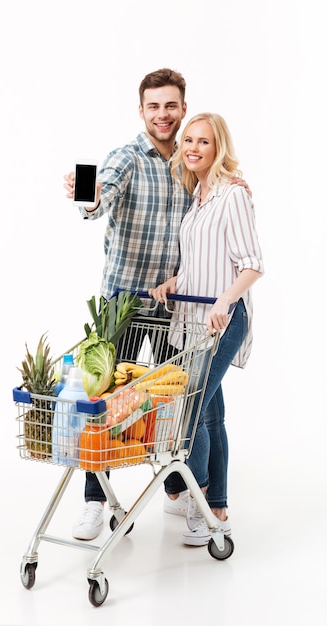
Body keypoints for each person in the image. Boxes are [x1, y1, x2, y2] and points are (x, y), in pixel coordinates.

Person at [64, 69, 251, 541]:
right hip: (126, 302)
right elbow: (99, 197)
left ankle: (182, 490)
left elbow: (219, 213)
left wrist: (234, 182)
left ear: (183, 108)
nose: (162, 114)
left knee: (182, 406)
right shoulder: (128, 158)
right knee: (104, 402)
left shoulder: (193, 167)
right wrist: (86, 199)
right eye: (153, 106)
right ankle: (94, 500)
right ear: (141, 110)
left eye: (171, 106)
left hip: (180, 309)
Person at [149, 112, 264, 546]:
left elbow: (252, 263)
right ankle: (218, 505)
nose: (194, 148)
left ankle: (200, 500)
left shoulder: (233, 195)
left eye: (204, 142)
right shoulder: (199, 196)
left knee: (190, 407)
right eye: (190, 141)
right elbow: (202, 260)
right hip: (191, 323)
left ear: (219, 149)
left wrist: (225, 299)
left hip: (222, 321)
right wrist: (174, 282)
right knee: (210, 415)